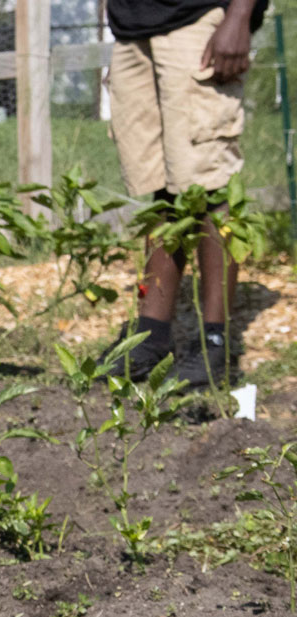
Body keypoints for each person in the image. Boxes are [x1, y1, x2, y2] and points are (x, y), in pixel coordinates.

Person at [105, 0, 265, 385]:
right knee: (161, 184)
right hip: (133, 28)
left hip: (199, 19)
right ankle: (152, 335)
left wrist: (239, 15)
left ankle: (214, 344)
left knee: (207, 182)